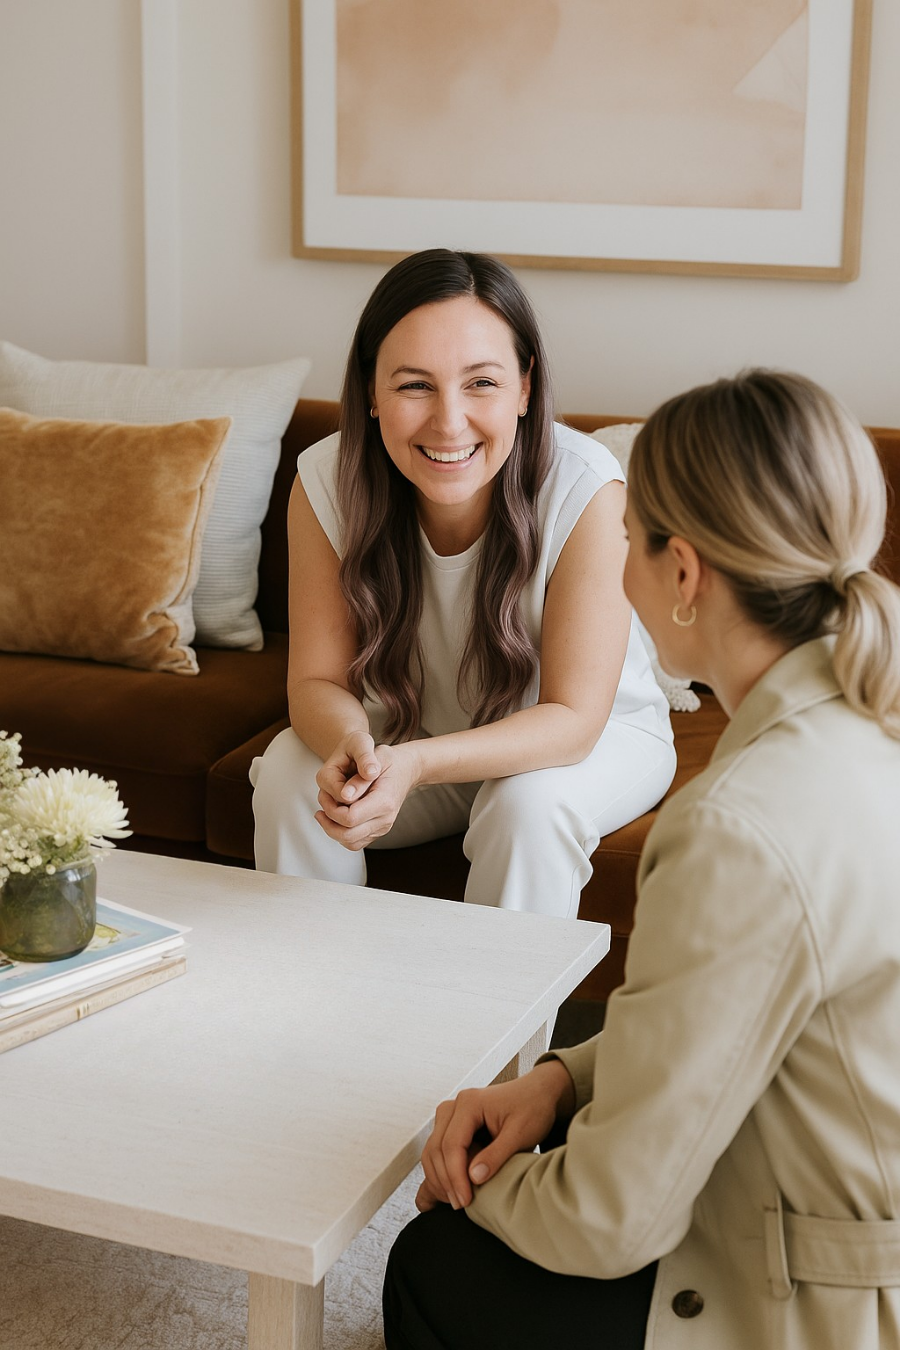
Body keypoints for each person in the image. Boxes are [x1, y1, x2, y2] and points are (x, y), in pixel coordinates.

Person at [383, 370, 900, 1350]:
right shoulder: (866, 718)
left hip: (837, 1303)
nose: (621, 574)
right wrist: (567, 1081)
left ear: (685, 573)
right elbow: (761, 1012)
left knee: (435, 1262)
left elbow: (613, 1218)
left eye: (628, 544)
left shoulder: (736, 828)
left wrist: (472, 1188)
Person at [251, 250, 675, 916]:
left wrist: (415, 765)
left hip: (589, 740)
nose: (449, 422)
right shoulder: (325, 482)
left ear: (526, 388)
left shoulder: (586, 489)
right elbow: (315, 682)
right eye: (415, 385)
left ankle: (505, 1022)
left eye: (481, 383)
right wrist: (356, 750)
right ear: (370, 391)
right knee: (288, 773)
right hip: (415, 736)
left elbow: (573, 721)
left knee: (525, 806)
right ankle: (317, 1003)